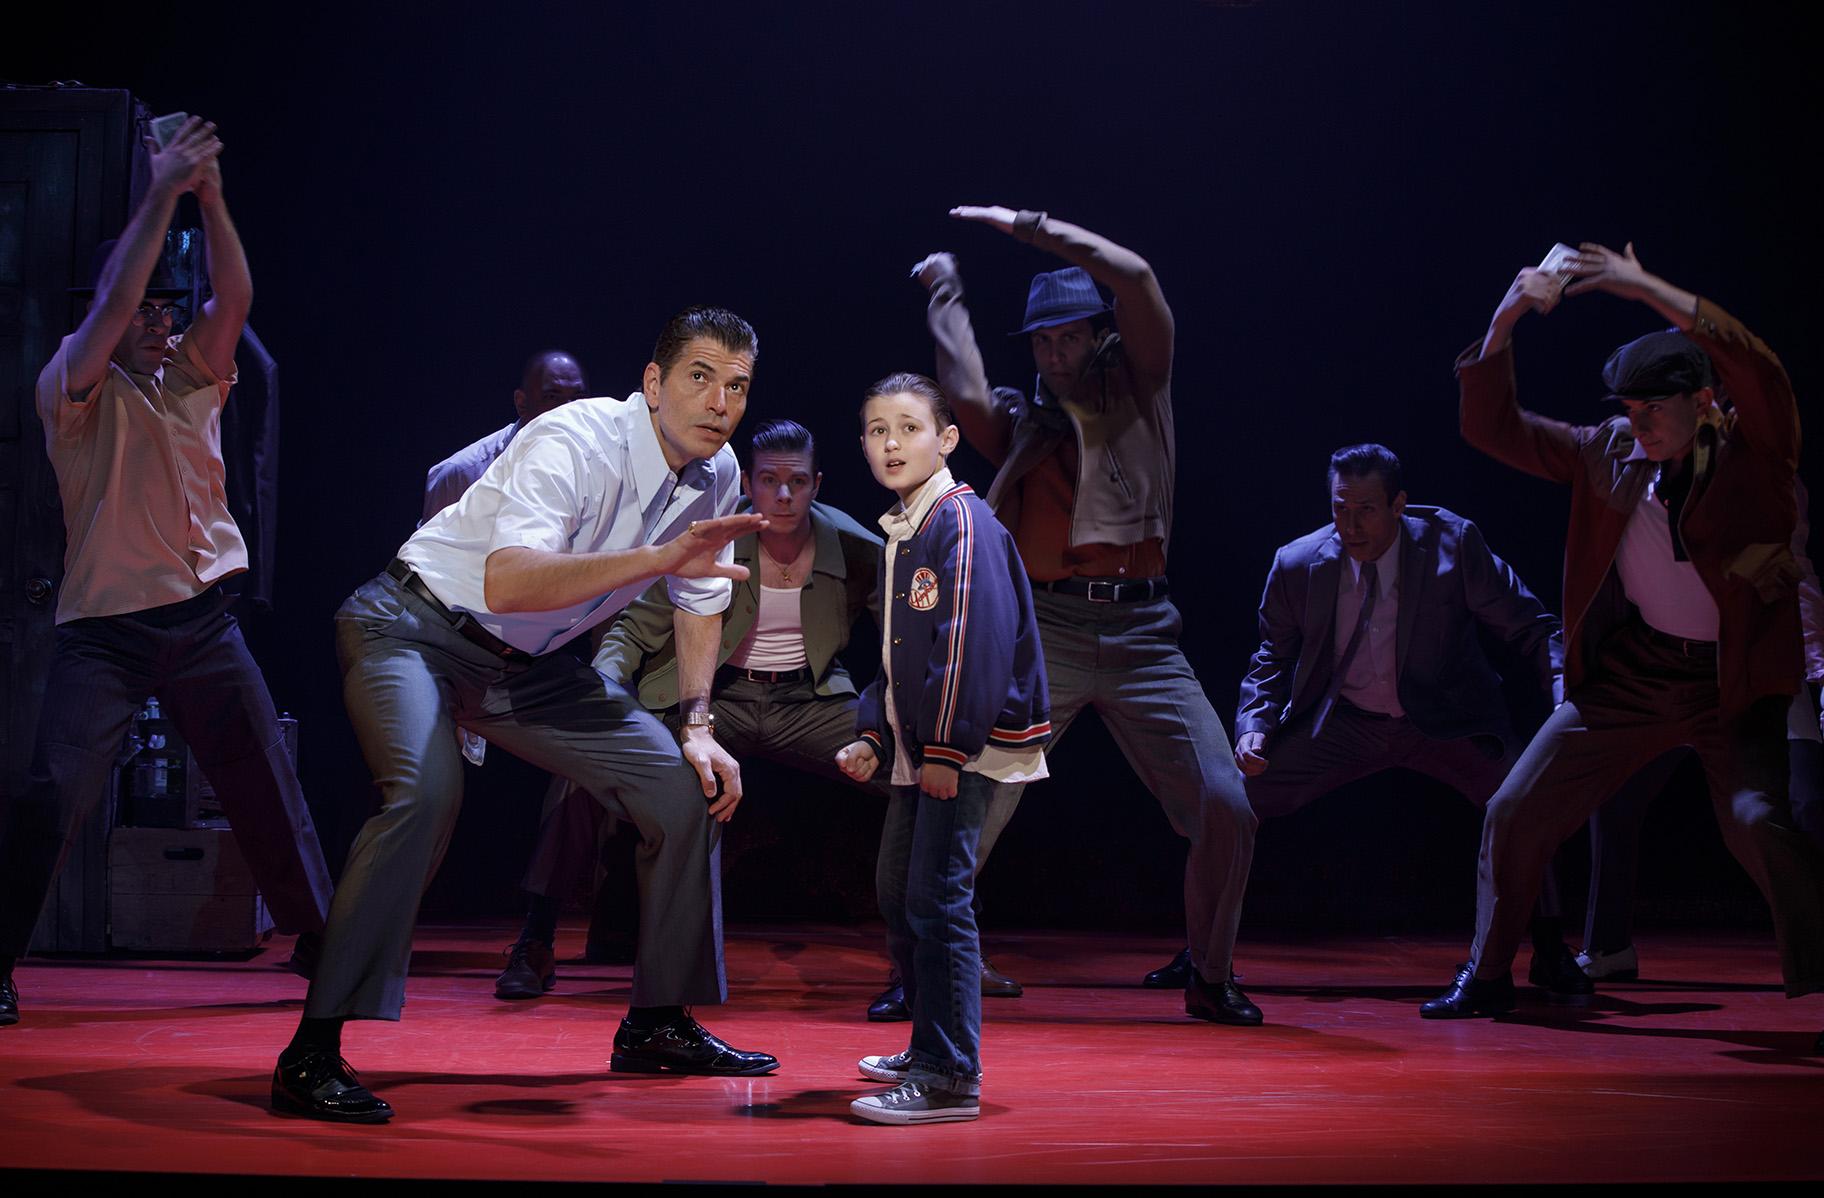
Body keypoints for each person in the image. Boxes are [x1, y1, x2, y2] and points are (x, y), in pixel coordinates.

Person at [271, 307, 780, 1123]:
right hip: (413, 629)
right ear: (652, 384)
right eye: (699, 376)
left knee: (685, 792)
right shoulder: (575, 439)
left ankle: (657, 1023)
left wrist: (697, 725)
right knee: (424, 796)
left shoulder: (715, 476)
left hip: (525, 669)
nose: (720, 401)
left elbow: (700, 597)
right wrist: (657, 557)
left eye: (737, 386)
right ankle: (312, 1050)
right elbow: (508, 582)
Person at [1424, 243, 1824, 1047]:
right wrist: (1505, 317)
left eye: (1651, 410)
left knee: (1758, 821)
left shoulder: (1759, 455)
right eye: (1625, 410)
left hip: (1735, 685)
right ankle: (1490, 971)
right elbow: (1491, 424)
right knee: (1517, 806)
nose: (1633, 425)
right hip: (1637, 675)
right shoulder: (1606, 452)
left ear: (1705, 401)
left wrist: (1643, 287)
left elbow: (1757, 364)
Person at [1, 117, 333, 1028]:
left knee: (266, 781)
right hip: (107, 634)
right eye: (140, 307)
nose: (154, 321)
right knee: (50, 798)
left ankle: (321, 939)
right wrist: (161, 186)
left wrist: (210, 193)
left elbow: (235, 293)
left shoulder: (193, 376)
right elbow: (109, 308)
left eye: (163, 308)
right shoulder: (72, 385)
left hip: (204, 624)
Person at [915, 206, 1259, 1025]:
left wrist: (1027, 226)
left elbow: (1135, 276)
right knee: (968, 796)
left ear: (1099, 335)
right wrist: (947, 293)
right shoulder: (1027, 426)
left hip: (1144, 636)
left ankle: (1210, 973)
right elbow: (962, 390)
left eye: (1069, 336)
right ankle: (930, 967)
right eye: (1041, 341)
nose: (1054, 353)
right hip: (1049, 634)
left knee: (1226, 802)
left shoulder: (1143, 385)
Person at [495, 417, 885, 1001]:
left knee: (917, 767)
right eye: (769, 480)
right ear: (747, 484)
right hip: (714, 696)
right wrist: (602, 691)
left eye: (797, 482)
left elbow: (899, 651)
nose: (783, 495)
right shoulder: (710, 538)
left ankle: (932, 951)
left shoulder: (860, 551)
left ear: (818, 484)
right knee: (581, 770)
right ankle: (537, 937)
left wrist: (878, 731)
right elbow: (634, 624)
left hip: (808, 701)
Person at [1233, 443, 1576, 986]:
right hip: (1341, 722)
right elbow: (1270, 660)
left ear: (1399, 505)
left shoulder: (1452, 546)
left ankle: (1551, 948)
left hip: (1444, 721)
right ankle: (1205, 952)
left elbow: (1533, 626)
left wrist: (1562, 697)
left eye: (1366, 509)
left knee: (1526, 800)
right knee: (1228, 802)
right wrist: (1255, 728)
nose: (1350, 525)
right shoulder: (1299, 564)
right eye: (1340, 509)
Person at [837, 372, 1049, 1125]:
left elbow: (968, 645)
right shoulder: (907, 527)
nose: (891, 442)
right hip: (921, 744)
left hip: (963, 747)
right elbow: (900, 656)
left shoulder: (960, 522)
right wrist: (873, 730)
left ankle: (951, 1074)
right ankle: (930, 1044)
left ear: (946, 439)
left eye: (908, 427)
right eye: (875, 429)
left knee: (938, 900)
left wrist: (947, 750)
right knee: (900, 892)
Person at [1576, 479, 1824, 981]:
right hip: (1670, 676)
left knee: (1806, 805)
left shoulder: (1763, 474)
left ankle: (1816, 950)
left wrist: (1817, 671)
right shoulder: (1647, 480)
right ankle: (1608, 946)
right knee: (1616, 792)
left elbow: (1788, 577)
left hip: (1758, 675)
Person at [422, 350, 589, 523]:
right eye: (552, 397)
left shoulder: (599, 463)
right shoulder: (459, 475)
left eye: (578, 397)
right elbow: (429, 549)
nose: (569, 409)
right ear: (522, 403)